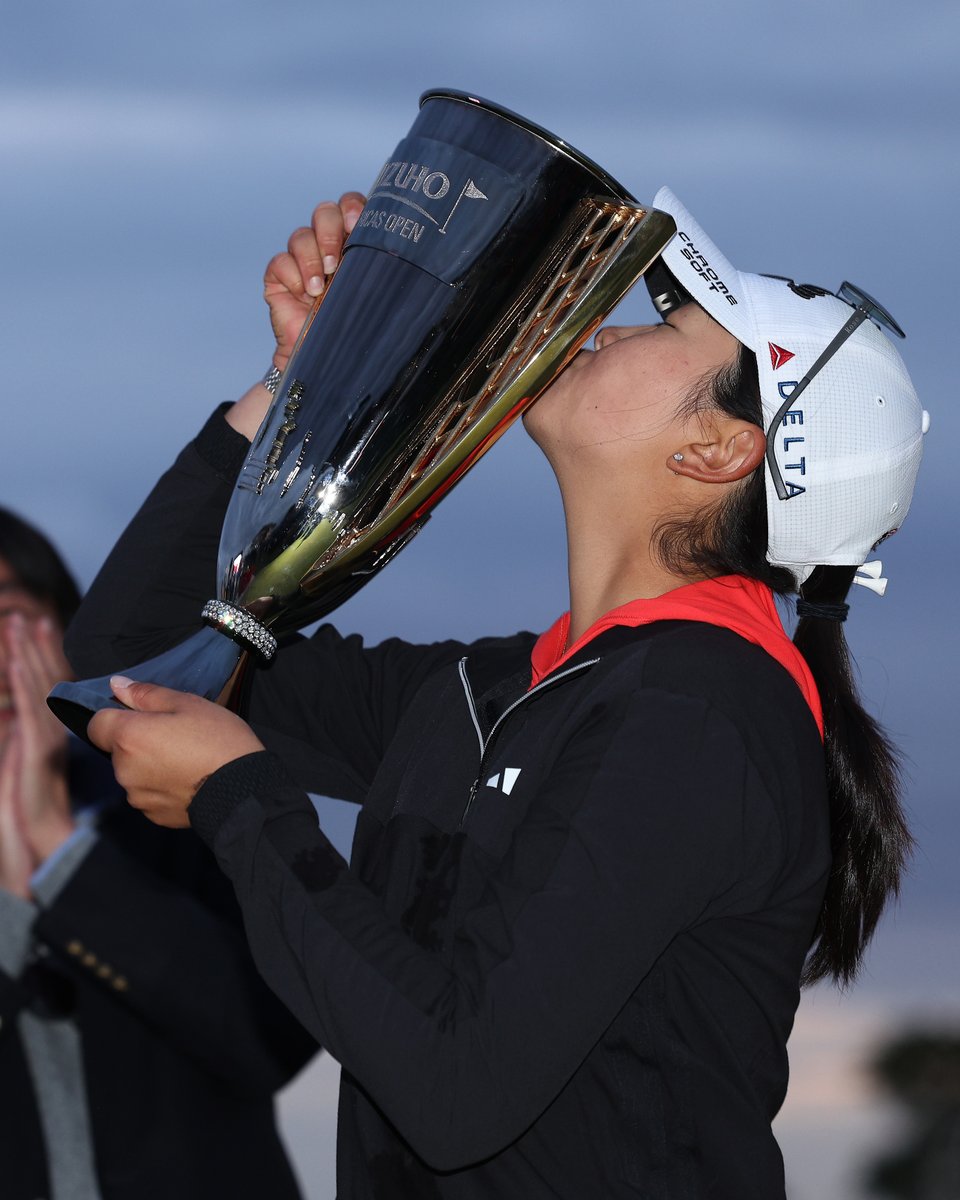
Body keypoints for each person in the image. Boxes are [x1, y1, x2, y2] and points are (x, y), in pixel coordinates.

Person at [71, 186, 927, 1198]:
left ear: (720, 450)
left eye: (668, 323)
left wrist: (242, 803)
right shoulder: (495, 687)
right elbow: (132, 655)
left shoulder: (704, 715)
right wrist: (299, 378)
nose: (606, 325)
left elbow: (456, 1084)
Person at [0, 508, 318, 1199]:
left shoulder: (174, 806)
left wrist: (61, 850)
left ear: (67, 634)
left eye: (9, 618)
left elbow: (274, 1035)